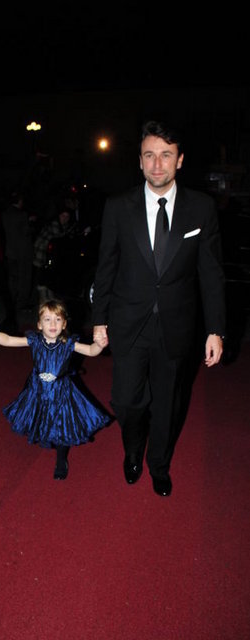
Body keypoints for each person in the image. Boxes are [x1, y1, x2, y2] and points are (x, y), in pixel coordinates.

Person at [92, 120, 225, 497]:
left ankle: (159, 465)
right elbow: (106, 267)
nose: (157, 164)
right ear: (139, 160)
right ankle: (133, 448)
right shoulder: (119, 207)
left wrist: (215, 329)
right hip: (128, 323)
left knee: (167, 405)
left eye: (166, 155)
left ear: (180, 160)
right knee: (125, 401)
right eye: (149, 155)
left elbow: (211, 274)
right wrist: (99, 320)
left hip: (176, 324)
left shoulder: (201, 208)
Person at [0, 299, 110, 479]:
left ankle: (61, 459)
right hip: (38, 390)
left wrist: (99, 344)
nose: (53, 324)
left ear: (64, 324)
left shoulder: (68, 343)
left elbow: (91, 351)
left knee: (62, 425)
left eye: (58, 319)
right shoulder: (35, 341)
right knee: (41, 417)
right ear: (39, 324)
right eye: (47, 319)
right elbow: (8, 340)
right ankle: (46, 435)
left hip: (62, 392)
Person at [1, 190, 35, 315]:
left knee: (13, 278)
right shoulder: (22, 215)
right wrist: (31, 223)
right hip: (23, 252)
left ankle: (12, 302)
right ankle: (22, 304)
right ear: (20, 201)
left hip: (10, 251)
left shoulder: (5, 214)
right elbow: (26, 231)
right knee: (24, 278)